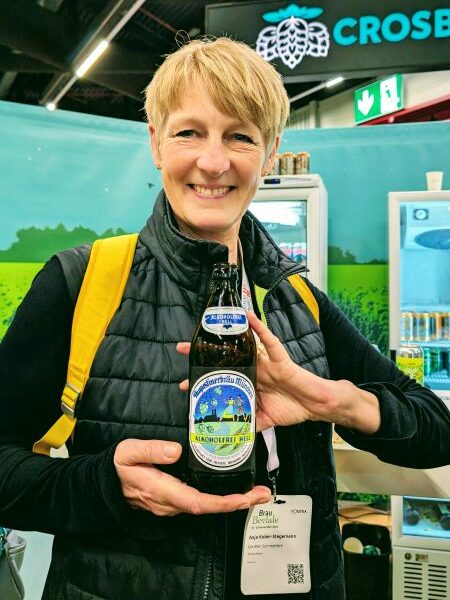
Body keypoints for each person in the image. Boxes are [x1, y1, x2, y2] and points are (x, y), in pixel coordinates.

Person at [0, 37, 448, 600]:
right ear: (156, 142)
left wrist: (332, 400)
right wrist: (104, 486)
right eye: (189, 132)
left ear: (269, 151)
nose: (213, 162)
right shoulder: (82, 283)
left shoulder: (297, 299)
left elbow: (437, 433)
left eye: (240, 136)